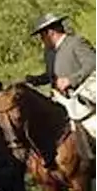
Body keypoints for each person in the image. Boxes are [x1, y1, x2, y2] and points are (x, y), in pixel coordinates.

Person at [25, 13, 97, 162]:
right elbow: (51, 76)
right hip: (60, 99)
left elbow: (92, 63)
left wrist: (70, 80)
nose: (42, 40)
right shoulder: (49, 53)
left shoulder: (76, 42)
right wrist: (35, 80)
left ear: (51, 33)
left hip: (84, 96)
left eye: (42, 35)